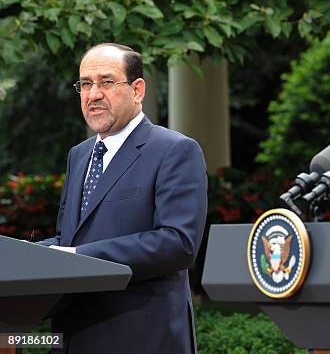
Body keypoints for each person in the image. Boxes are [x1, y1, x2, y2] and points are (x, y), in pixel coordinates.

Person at [38, 43, 207, 354]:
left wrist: (78, 257)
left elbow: (177, 243)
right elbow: (69, 240)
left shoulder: (175, 150)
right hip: (74, 335)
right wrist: (23, 255)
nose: (93, 94)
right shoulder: (79, 155)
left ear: (138, 89)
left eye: (106, 82)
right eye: (85, 84)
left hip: (141, 337)